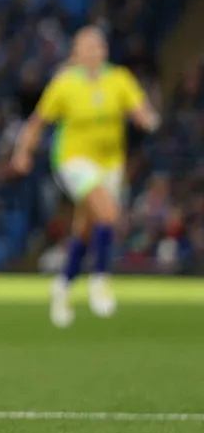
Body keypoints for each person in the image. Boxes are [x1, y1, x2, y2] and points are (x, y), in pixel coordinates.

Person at [11, 26, 160, 328]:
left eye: (99, 46)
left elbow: (139, 107)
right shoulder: (64, 84)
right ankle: (99, 279)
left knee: (86, 228)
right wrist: (22, 151)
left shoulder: (119, 79)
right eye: (87, 47)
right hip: (73, 160)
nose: (94, 52)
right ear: (76, 53)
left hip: (110, 162)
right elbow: (38, 122)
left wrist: (148, 118)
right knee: (108, 214)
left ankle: (63, 286)